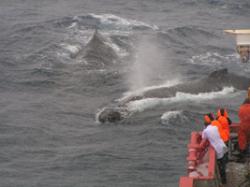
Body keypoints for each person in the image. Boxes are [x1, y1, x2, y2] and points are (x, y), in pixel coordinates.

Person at [202, 113, 228, 185]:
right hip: (222, 145)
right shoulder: (215, 127)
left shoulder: (206, 131)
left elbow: (203, 138)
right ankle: (224, 180)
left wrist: (204, 130)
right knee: (223, 164)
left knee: (220, 166)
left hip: (217, 149)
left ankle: (223, 182)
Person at [238, 88, 250, 155]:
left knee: (242, 141)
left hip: (243, 127)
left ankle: (243, 153)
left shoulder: (241, 108)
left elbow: (240, 116)